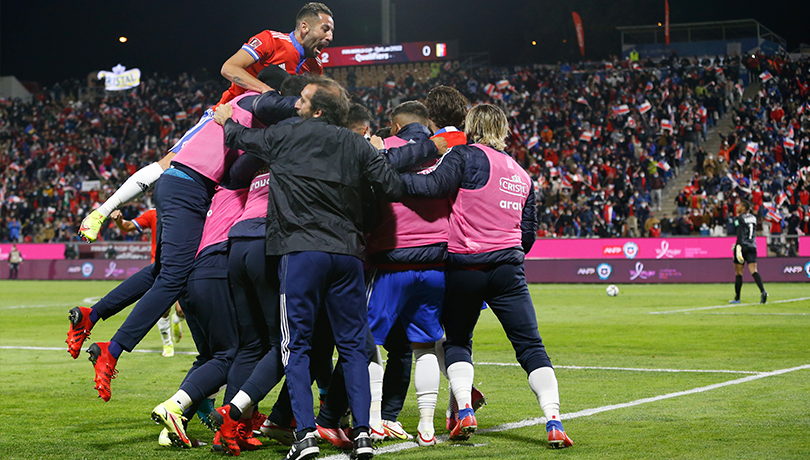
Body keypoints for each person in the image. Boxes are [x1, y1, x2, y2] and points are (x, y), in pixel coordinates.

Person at [210, 76, 414, 460]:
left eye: (303, 100)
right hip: (348, 254)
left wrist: (226, 120)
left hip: (302, 252)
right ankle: (363, 435)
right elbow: (392, 187)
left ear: (318, 110)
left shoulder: (287, 134)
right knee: (353, 348)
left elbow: (243, 139)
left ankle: (304, 435)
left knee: (296, 346)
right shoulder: (356, 143)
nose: (296, 104)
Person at [76, 69, 298, 403]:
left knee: (163, 271)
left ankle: (92, 315)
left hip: (181, 186)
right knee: (174, 279)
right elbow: (278, 112)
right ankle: (114, 348)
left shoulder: (221, 117)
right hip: (190, 189)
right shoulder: (253, 102)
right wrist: (314, 106)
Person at [77, 2, 332, 243]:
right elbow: (229, 68)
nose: (330, 37)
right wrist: (268, 92)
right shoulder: (271, 40)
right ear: (304, 27)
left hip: (257, 136)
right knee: (170, 165)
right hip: (225, 118)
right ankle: (101, 212)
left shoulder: (315, 67)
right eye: (325, 29)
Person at [400, 104, 573, 448]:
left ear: (470, 127)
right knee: (531, 347)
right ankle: (553, 419)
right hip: (508, 270)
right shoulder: (522, 174)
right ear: (503, 130)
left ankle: (464, 410)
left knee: (458, 341)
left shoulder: (463, 156)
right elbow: (527, 236)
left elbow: (432, 187)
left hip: (465, 267)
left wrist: (388, 175)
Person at [365, 101, 447, 446]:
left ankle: (373, 420)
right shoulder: (445, 153)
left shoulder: (384, 148)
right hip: (436, 264)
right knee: (425, 345)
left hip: (391, 262)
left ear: (395, 126)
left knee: (367, 341)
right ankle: (427, 427)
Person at [110, 208, 185, 357]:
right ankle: (167, 343)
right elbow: (127, 226)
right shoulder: (153, 214)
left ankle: (177, 320)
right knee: (163, 309)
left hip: (182, 265)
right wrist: (118, 221)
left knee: (182, 310)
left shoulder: (185, 211)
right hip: (161, 268)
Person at [730, 200, 768, 304]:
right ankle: (763, 291)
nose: (737, 207)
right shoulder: (753, 218)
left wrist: (737, 246)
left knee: (739, 273)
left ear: (743, 208)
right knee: (754, 270)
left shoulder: (739, 219)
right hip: (752, 246)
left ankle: (737, 298)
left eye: (739, 205)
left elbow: (738, 231)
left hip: (742, 246)